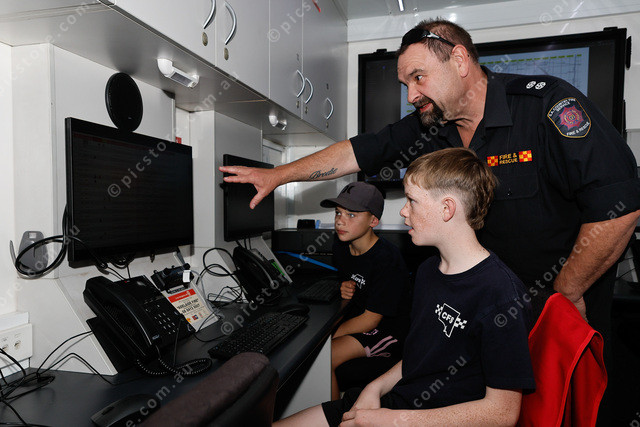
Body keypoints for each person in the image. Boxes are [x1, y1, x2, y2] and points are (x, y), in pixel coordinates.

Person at [220, 19, 640, 351]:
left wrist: (568, 290)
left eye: (418, 77)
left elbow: (619, 206)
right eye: (405, 84)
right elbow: (356, 153)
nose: (411, 95)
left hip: (557, 312)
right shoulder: (432, 124)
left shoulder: (546, 105)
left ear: (459, 60)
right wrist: (279, 175)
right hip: (486, 311)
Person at [275, 147, 535, 427]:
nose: (403, 211)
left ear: (447, 209)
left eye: (412, 201)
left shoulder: (501, 294)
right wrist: (375, 387)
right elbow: (417, 359)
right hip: (398, 404)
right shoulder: (428, 271)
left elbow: (502, 413)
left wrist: (393, 420)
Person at [319, 181, 411, 400]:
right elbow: (355, 280)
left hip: (388, 331)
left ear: (373, 221)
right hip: (364, 322)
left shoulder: (387, 259)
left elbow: (371, 320)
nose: (340, 220)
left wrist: (326, 337)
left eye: (351, 215)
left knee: (324, 357)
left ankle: (335, 415)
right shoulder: (341, 246)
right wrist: (345, 285)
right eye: (338, 212)